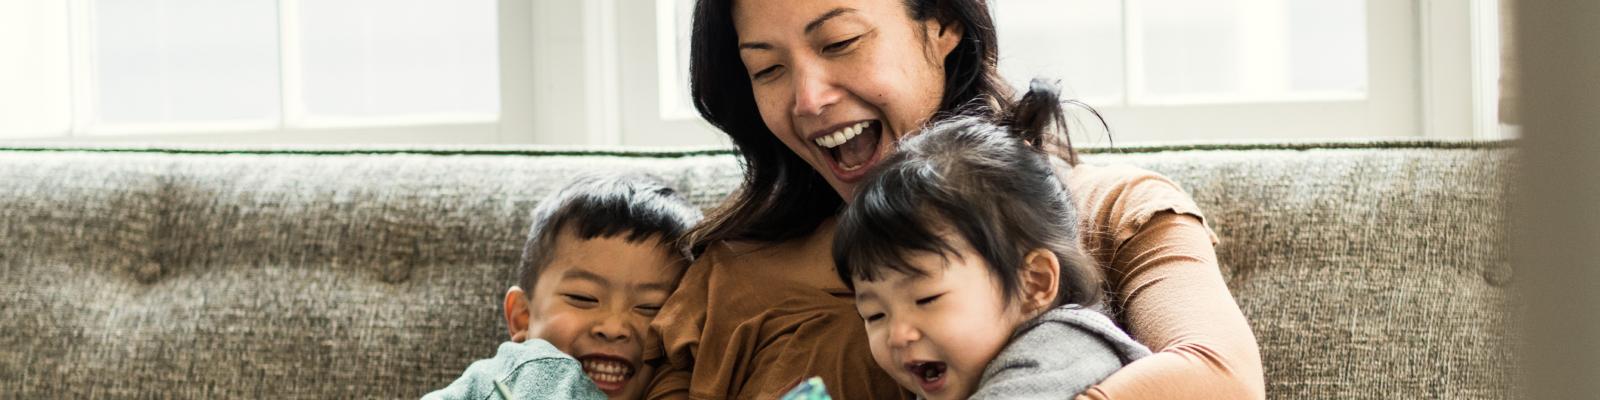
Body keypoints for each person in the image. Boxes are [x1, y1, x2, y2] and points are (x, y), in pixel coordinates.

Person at [646, 0, 1264, 398]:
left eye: (839, 43)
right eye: (767, 69)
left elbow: (1222, 377)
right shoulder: (729, 275)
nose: (808, 100)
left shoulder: (1110, 210)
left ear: (941, 24)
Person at [834, 82, 1150, 400]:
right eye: (874, 315)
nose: (897, 335)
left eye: (926, 299)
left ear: (1033, 283)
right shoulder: (960, 371)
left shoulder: (1062, 349)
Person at [427, 174, 703, 400]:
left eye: (649, 307)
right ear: (522, 317)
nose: (613, 327)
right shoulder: (497, 380)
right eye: (583, 298)